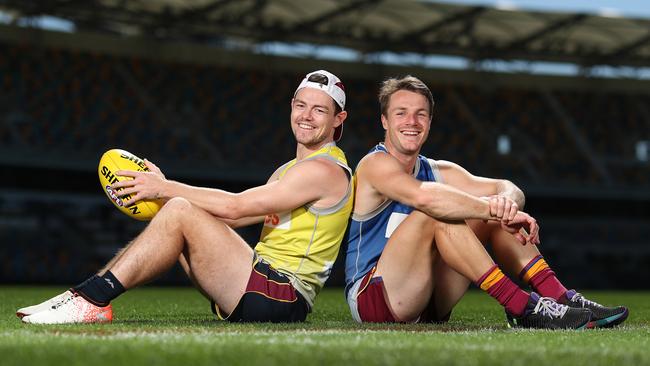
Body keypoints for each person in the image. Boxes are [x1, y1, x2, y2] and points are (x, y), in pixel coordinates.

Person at [18, 69, 354, 324]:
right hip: (262, 286)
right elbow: (225, 217)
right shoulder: (288, 170)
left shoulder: (323, 170)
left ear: (338, 119)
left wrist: (166, 190)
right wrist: (164, 194)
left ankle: (91, 299)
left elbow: (235, 208)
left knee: (178, 207)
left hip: (281, 295)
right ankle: (87, 294)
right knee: (178, 209)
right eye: (300, 105)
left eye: (319, 110)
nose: (306, 116)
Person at [344, 75, 628, 329]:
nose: (412, 122)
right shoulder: (374, 165)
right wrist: (491, 208)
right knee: (435, 212)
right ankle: (522, 306)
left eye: (421, 114)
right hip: (376, 298)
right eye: (401, 113)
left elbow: (509, 187)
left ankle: (562, 297)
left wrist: (504, 206)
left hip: (428, 300)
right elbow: (425, 197)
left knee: (488, 211)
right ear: (385, 121)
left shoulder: (438, 169)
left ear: (430, 122)